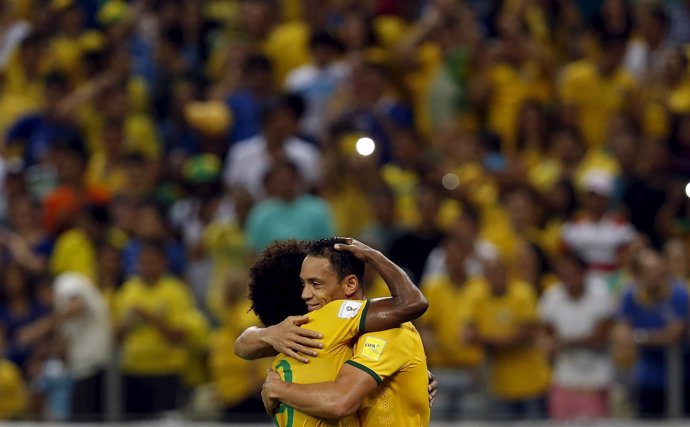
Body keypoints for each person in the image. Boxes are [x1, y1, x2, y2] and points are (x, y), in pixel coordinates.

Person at [234, 237, 431, 426]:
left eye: (316, 284)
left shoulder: (380, 327)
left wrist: (278, 389)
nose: (305, 295)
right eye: (303, 284)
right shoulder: (311, 330)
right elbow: (242, 345)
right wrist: (270, 334)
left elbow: (340, 402)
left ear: (350, 284)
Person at [539, 252, 616, 421]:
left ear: (583, 273)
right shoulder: (552, 296)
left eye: (571, 273)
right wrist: (552, 343)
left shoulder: (600, 294)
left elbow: (600, 337)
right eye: (562, 274)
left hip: (596, 379)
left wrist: (566, 341)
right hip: (564, 378)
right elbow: (547, 335)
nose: (567, 278)